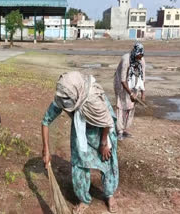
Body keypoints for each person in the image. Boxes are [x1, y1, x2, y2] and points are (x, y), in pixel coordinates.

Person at [42, 72, 119, 214]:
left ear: (77, 97)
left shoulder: (93, 100)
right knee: (79, 163)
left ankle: (109, 195)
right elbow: (46, 121)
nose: (65, 106)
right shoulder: (66, 95)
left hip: (103, 130)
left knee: (107, 160)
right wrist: (46, 150)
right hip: (81, 130)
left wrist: (103, 144)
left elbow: (107, 122)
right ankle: (84, 198)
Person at [114, 42, 146, 141]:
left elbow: (142, 77)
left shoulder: (141, 61)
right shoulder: (126, 60)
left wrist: (142, 92)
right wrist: (130, 93)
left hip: (133, 84)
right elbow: (123, 80)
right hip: (121, 84)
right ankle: (119, 131)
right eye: (138, 57)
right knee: (121, 106)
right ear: (135, 53)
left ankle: (125, 129)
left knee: (130, 107)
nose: (139, 59)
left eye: (141, 56)